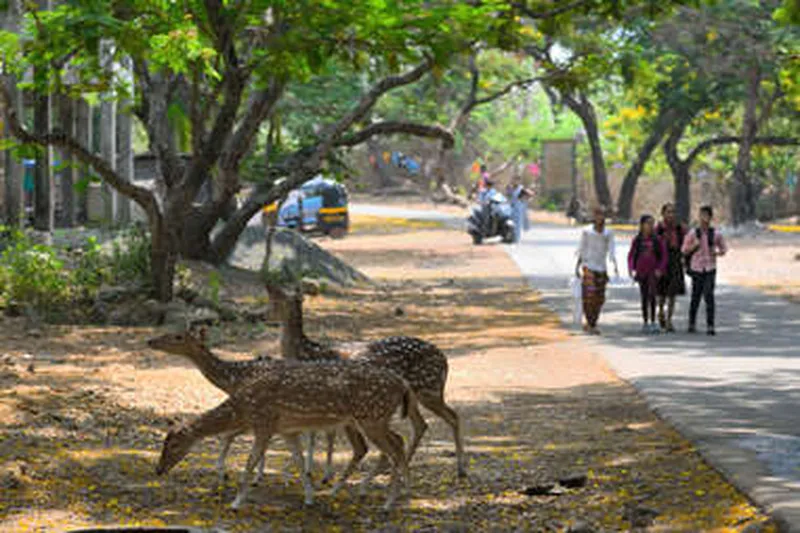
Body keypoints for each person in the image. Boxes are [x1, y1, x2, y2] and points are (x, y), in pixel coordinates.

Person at [681, 205, 727, 336]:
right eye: (701, 215)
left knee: (709, 296)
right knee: (695, 297)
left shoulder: (716, 234)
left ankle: (710, 325)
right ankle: (691, 323)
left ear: (711, 217)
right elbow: (683, 250)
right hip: (696, 268)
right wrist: (693, 246)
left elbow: (724, 249)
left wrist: (716, 252)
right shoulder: (692, 233)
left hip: (710, 268)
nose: (703, 218)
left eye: (706, 215)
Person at [576, 206, 619, 334]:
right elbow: (582, 248)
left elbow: (612, 249)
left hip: (601, 267)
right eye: (597, 214)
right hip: (588, 266)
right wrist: (577, 266)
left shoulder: (608, 233)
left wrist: (615, 265)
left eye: (602, 215)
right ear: (594, 216)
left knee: (599, 298)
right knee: (589, 295)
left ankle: (593, 321)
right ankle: (590, 323)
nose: (600, 217)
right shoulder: (587, 231)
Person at [628, 214, 668, 334]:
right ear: (642, 225)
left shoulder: (657, 240)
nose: (650, 226)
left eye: (652, 223)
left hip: (653, 273)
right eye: (648, 223)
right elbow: (631, 255)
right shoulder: (637, 240)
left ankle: (653, 322)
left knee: (652, 296)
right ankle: (645, 322)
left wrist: (660, 269)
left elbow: (664, 256)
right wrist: (631, 268)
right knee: (644, 297)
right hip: (641, 272)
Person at [655, 203, 687, 332]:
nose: (671, 215)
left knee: (672, 294)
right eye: (668, 212)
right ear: (663, 214)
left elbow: (686, 245)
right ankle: (661, 312)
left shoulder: (680, 229)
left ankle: (669, 320)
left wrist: (685, 260)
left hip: (675, 262)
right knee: (661, 293)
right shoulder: (658, 229)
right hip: (662, 261)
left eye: (673, 212)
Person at [508, 176, 535, 243]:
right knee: (511, 223)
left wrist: (525, 200)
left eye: (516, 180)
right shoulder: (511, 188)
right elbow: (509, 196)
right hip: (512, 207)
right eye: (513, 180)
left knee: (518, 224)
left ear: (519, 181)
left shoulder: (521, 188)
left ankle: (516, 239)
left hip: (519, 207)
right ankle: (512, 236)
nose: (514, 181)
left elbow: (531, 194)